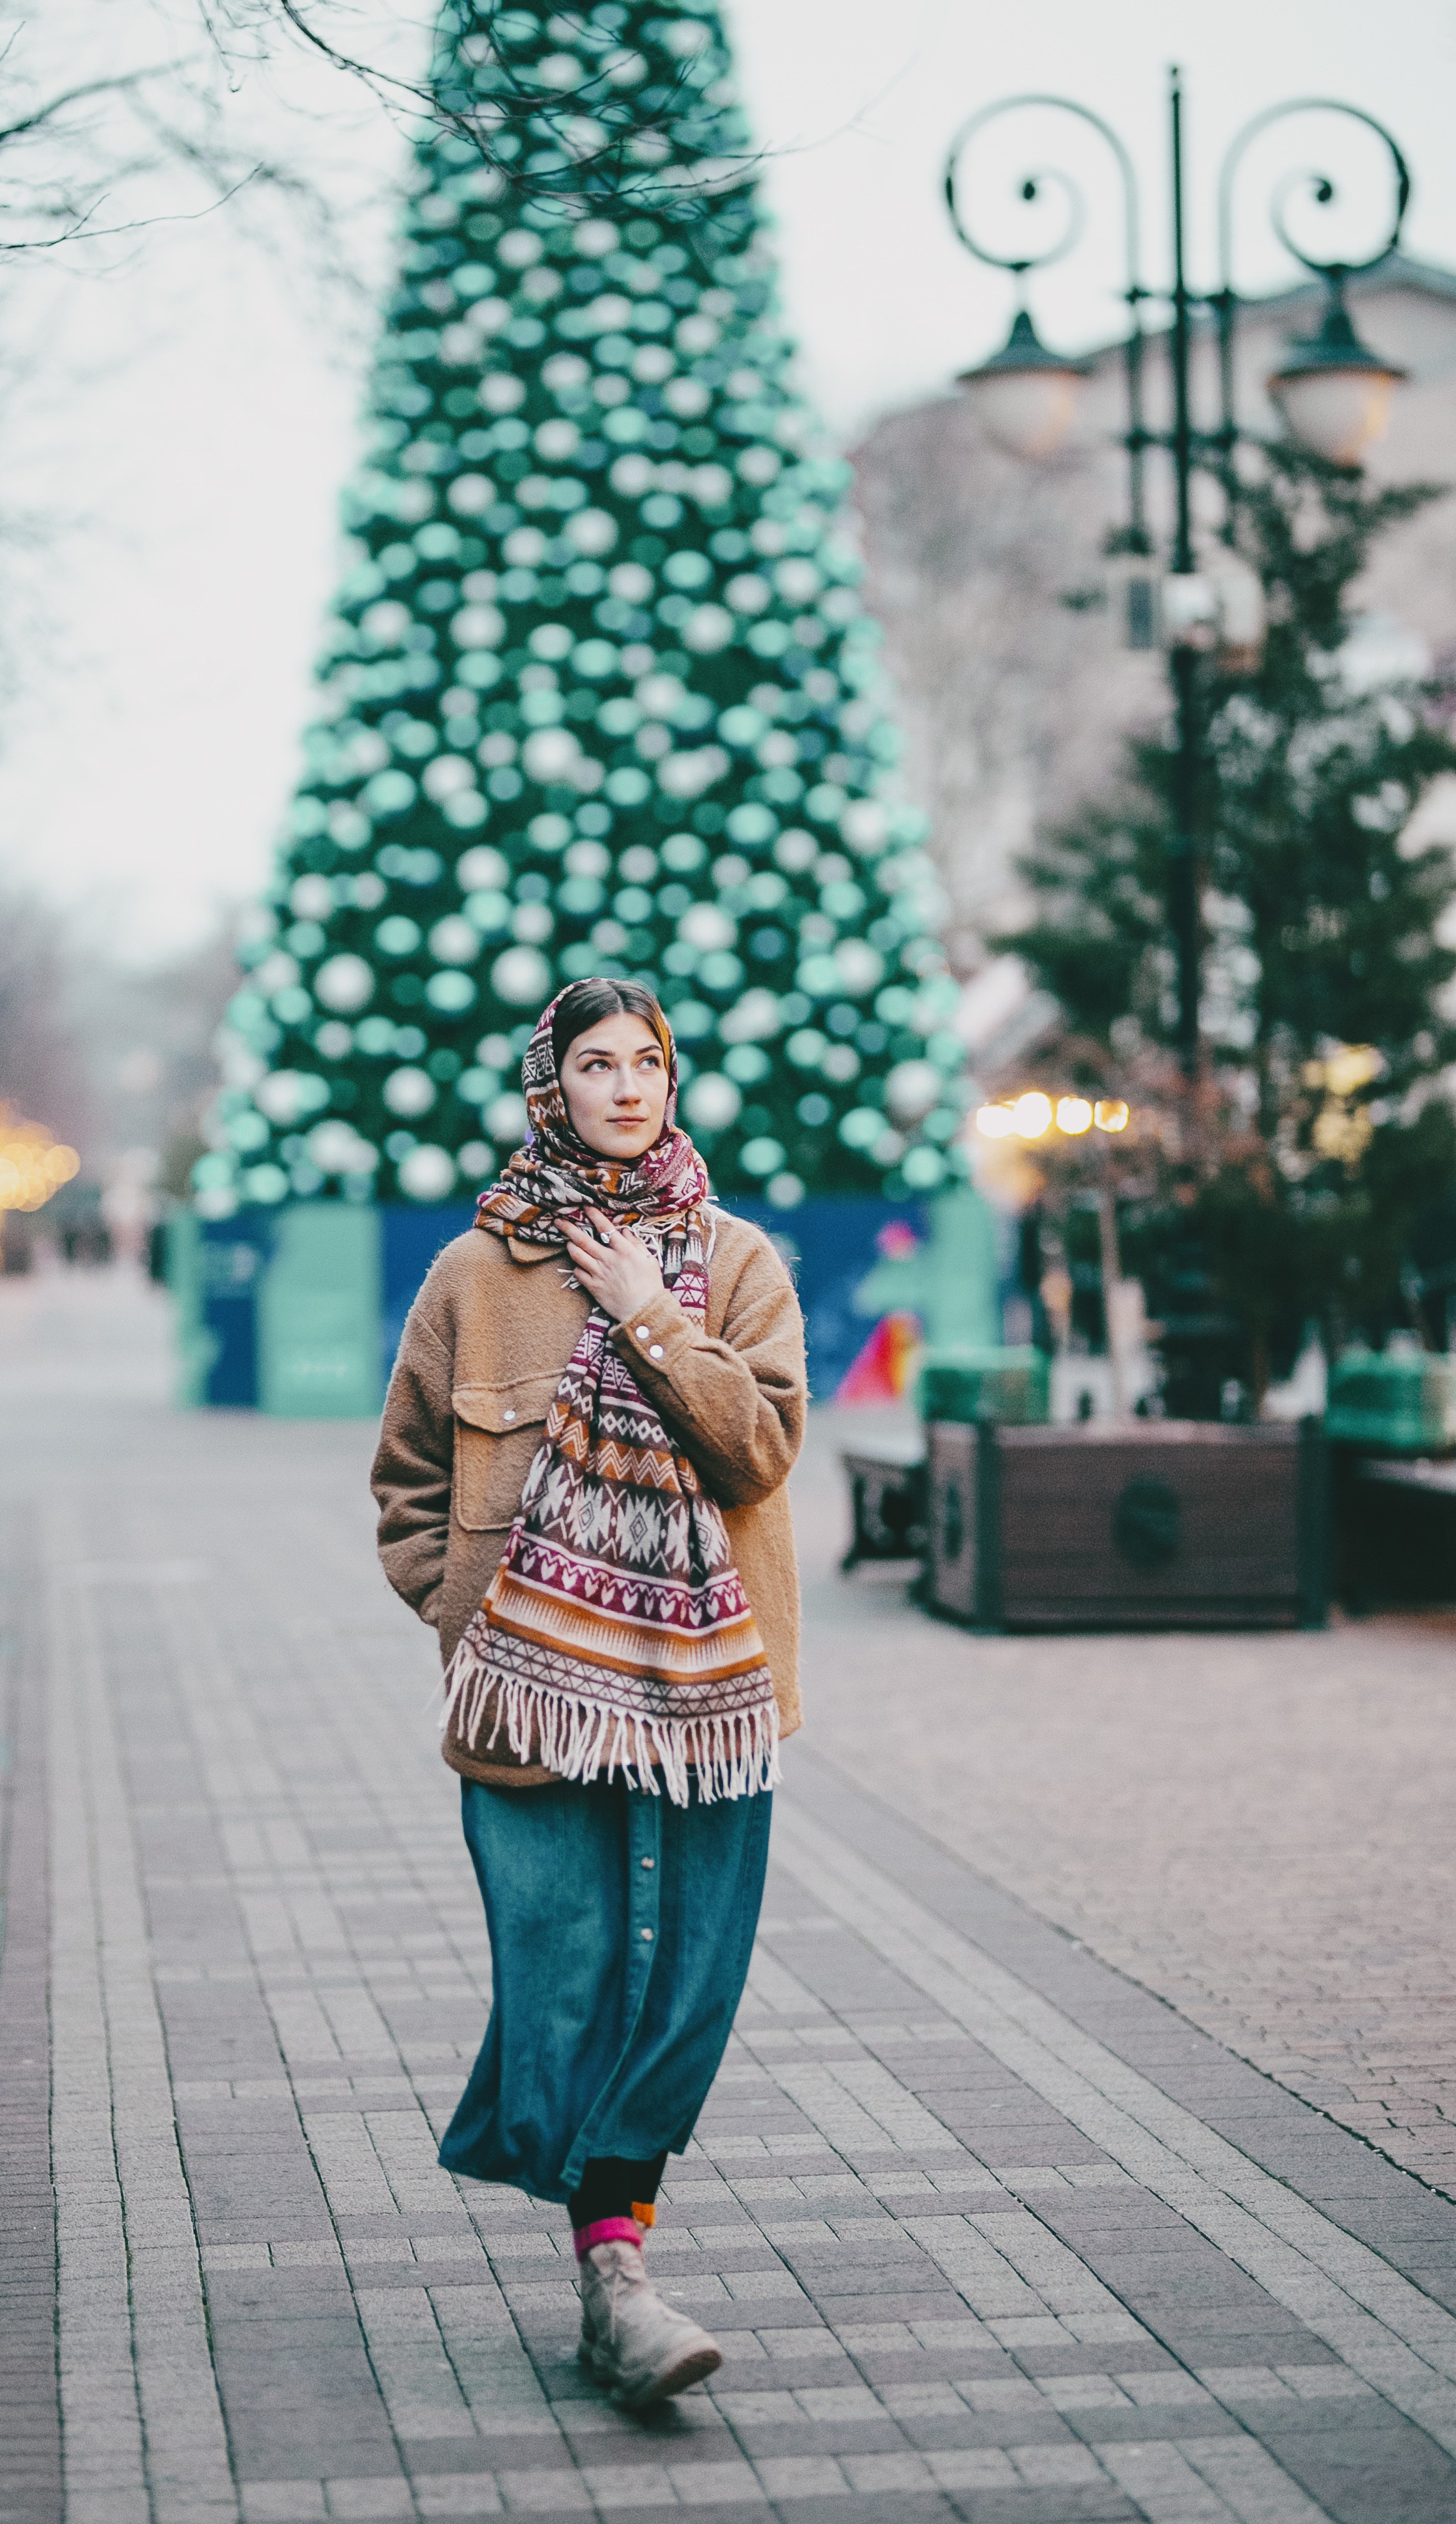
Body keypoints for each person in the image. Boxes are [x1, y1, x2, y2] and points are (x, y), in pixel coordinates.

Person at [371, 977, 806, 2408]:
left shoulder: (736, 1262)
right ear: (546, 1085)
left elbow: (761, 1455)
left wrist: (652, 1319)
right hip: (535, 1706)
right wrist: (476, 1625)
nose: (628, 1086)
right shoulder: (473, 1277)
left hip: (708, 1698)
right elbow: (410, 1485)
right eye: (595, 1063)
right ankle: (614, 2269)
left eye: (649, 1062)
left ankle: (616, 2265)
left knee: (685, 1984)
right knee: (561, 1974)